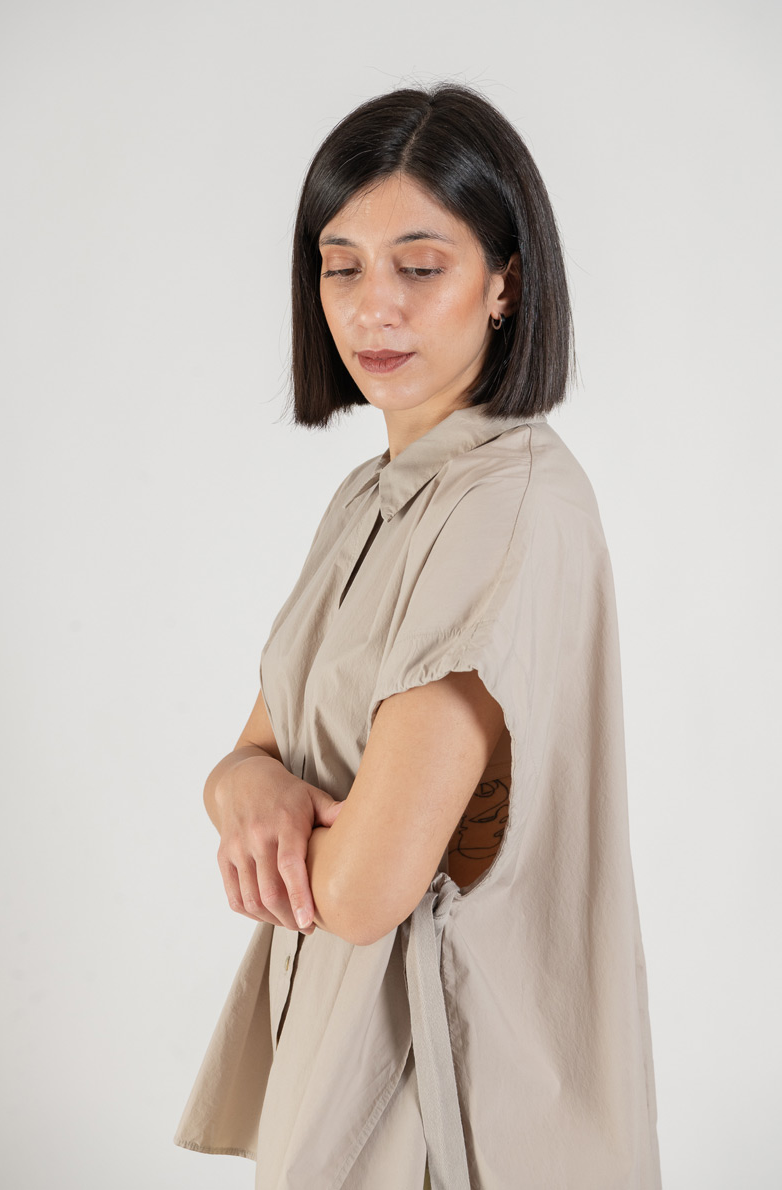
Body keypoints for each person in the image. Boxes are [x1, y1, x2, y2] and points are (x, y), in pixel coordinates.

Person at [174, 81, 662, 1190]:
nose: (372, 308)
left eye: (420, 266)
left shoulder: (506, 506)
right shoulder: (372, 497)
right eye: (340, 266)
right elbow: (254, 755)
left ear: (505, 283)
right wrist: (244, 787)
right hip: (343, 1058)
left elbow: (361, 889)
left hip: (451, 1096)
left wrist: (269, 811)